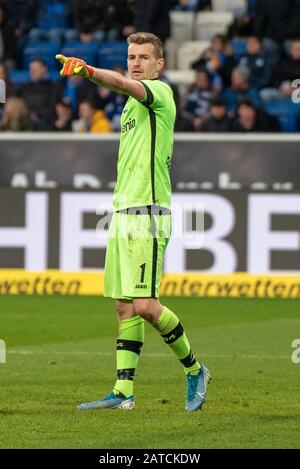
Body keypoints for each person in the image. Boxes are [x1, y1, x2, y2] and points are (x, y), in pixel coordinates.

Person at [55, 32, 211, 412]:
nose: (136, 62)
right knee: (124, 306)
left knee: (145, 304)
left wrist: (88, 71)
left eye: (144, 57)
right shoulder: (128, 108)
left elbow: (123, 83)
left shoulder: (160, 94)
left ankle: (195, 370)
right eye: (131, 56)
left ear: (159, 64)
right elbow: (125, 87)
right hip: (122, 213)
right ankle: (124, 392)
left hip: (149, 213)